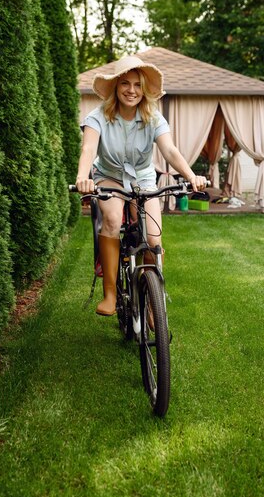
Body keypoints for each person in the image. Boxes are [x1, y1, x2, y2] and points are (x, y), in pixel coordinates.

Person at [76, 55, 206, 316]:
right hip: (109, 176)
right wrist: (83, 177)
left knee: (153, 239)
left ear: (144, 88)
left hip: (144, 179)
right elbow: (89, 148)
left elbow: (169, 150)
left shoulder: (153, 117)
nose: (131, 90)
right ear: (115, 86)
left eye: (137, 85)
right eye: (125, 83)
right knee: (112, 220)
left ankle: (151, 303)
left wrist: (191, 175)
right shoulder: (97, 116)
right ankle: (110, 294)